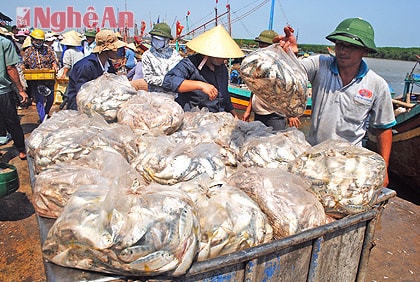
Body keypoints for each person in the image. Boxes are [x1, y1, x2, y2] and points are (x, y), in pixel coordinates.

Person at [274, 18, 396, 187]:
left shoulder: (377, 84)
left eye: (351, 46)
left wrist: (384, 168)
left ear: (365, 51)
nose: (343, 51)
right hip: (313, 158)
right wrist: (290, 54)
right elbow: (291, 74)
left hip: (350, 164)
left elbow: (384, 128)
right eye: (339, 44)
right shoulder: (320, 65)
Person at [163, 25, 244, 117]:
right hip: (193, 119)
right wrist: (200, 85)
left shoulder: (222, 69)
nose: (225, 60)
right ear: (210, 53)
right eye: (222, 56)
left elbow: (224, 95)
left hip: (215, 120)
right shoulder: (190, 64)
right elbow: (168, 81)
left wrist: (233, 113)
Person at [242, 29, 300, 131]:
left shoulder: (281, 66)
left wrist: (290, 114)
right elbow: (255, 89)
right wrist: (248, 110)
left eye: (263, 45)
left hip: (274, 116)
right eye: (260, 44)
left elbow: (290, 90)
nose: (260, 48)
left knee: (275, 144)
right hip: (259, 113)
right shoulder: (259, 65)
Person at [66, 29, 127, 110]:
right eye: (117, 49)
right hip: (80, 109)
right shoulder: (86, 66)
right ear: (107, 49)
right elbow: (81, 94)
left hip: (98, 106)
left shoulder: (108, 65)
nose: (118, 52)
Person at [0, 34, 29, 160]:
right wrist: (21, 90)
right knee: (12, 121)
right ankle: (21, 150)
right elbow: (10, 68)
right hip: (3, 91)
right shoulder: (4, 43)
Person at [22, 29, 58, 123]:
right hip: (35, 79)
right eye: (36, 40)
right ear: (32, 40)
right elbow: (24, 64)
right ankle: (42, 120)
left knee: (50, 98)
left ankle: (46, 114)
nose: (38, 42)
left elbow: (54, 60)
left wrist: (54, 65)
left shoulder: (48, 50)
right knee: (39, 99)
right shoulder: (28, 52)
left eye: (40, 40)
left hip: (48, 77)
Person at [142, 23, 182, 92]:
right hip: (156, 95)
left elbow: (181, 72)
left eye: (159, 40)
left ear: (167, 40)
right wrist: (167, 81)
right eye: (154, 39)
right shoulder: (147, 55)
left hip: (174, 95)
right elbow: (148, 77)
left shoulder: (175, 54)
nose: (156, 42)